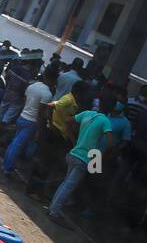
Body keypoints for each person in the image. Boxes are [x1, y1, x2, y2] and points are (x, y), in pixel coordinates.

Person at [48, 91, 116, 225]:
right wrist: (99, 156)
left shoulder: (88, 113)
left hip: (74, 153)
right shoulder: (105, 121)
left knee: (65, 183)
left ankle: (51, 208)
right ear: (111, 107)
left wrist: (73, 139)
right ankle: (54, 212)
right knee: (69, 186)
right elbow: (110, 142)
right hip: (85, 159)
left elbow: (68, 121)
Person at [2, 67, 55, 177]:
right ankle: (8, 168)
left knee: (15, 143)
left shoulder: (32, 86)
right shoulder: (47, 94)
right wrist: (40, 129)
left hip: (23, 116)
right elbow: (41, 113)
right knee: (17, 145)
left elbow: (26, 102)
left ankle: (6, 165)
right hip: (31, 121)